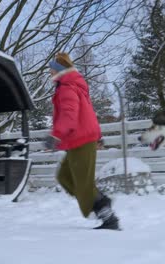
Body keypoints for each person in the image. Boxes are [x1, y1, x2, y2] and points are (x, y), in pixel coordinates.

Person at [46, 52, 120, 230]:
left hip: (81, 140)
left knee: (83, 183)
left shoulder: (67, 88)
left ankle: (107, 215)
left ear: (59, 71)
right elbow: (87, 113)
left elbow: (69, 115)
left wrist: (55, 135)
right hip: (77, 140)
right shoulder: (70, 85)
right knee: (64, 177)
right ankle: (100, 202)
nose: (49, 74)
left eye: (51, 71)